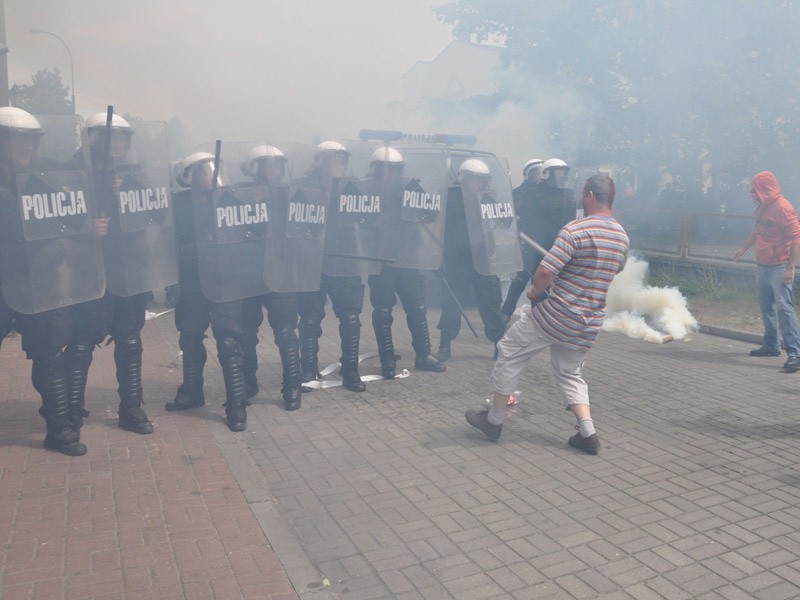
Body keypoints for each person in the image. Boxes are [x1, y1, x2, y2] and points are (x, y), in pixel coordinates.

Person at [465, 174, 629, 454]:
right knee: (570, 373)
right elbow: (613, 270)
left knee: (509, 351)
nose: (580, 197)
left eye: (582, 193)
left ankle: (493, 421)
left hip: (555, 315)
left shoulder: (575, 230)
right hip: (588, 323)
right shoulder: (621, 236)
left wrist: (533, 293)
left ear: (589, 195)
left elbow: (544, 271)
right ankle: (587, 433)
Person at [64, 112, 155, 439]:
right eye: (110, 137)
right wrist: (84, 229)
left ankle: (131, 408)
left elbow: (158, 213)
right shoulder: (75, 171)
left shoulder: (133, 172)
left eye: (122, 138)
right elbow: (53, 219)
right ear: (93, 138)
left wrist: (132, 189)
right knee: (81, 341)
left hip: (127, 268)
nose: (117, 144)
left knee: (130, 339)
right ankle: (69, 412)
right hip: (89, 270)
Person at [164, 152, 250, 430]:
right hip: (192, 282)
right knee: (189, 338)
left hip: (226, 280)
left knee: (229, 342)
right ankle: (191, 392)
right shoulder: (177, 204)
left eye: (215, 168)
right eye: (205, 170)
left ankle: (236, 405)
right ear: (189, 175)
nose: (212, 174)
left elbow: (248, 234)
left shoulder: (230, 201)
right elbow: (168, 240)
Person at [366, 147, 445, 378]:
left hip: (408, 257)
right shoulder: (365, 189)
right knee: (382, 311)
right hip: (380, 260)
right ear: (378, 170)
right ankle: (387, 360)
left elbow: (431, 214)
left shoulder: (409, 186)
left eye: (396, 169)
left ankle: (423, 354)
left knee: (417, 308)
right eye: (388, 169)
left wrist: (417, 199)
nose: (393, 174)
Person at [297, 141, 369, 392]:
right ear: (321, 161)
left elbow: (368, 220)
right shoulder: (304, 188)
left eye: (342, 160)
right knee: (309, 319)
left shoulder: (352, 189)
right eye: (334, 159)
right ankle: (307, 368)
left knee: (350, 318)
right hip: (312, 262)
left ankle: (350, 371)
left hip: (345, 260)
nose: (339, 165)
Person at [240, 144, 304, 411]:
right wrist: (251, 201)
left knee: (286, 332)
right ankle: (247, 383)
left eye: (278, 165)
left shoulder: (291, 194)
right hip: (248, 272)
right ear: (255, 167)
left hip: (280, 271)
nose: (274, 170)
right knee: (245, 333)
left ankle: (292, 387)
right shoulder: (239, 194)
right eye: (268, 164)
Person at [435, 158, 507, 362]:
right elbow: (437, 227)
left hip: (483, 259)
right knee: (451, 303)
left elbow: (502, 223)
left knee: (490, 302)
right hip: (456, 259)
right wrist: (436, 256)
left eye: (484, 181)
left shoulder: (488, 200)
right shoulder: (450, 198)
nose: (482, 185)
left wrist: (509, 218)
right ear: (464, 179)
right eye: (477, 180)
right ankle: (445, 345)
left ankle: (499, 345)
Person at [734, 171, 800, 372]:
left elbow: (796, 237)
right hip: (762, 266)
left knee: (784, 308)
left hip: (779, 267)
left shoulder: (783, 208)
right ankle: (772, 346)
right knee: (766, 306)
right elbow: (758, 231)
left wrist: (790, 267)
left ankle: (795, 354)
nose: (752, 194)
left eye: (755, 190)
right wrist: (744, 248)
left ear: (765, 189)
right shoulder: (764, 207)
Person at [501, 157, 576, 319]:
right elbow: (524, 220)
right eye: (559, 173)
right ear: (548, 174)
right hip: (532, 245)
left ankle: (540, 316)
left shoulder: (569, 195)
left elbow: (571, 221)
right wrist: (522, 241)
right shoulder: (533, 193)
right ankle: (506, 312)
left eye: (564, 173)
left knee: (546, 282)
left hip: (556, 247)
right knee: (522, 280)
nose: (563, 176)